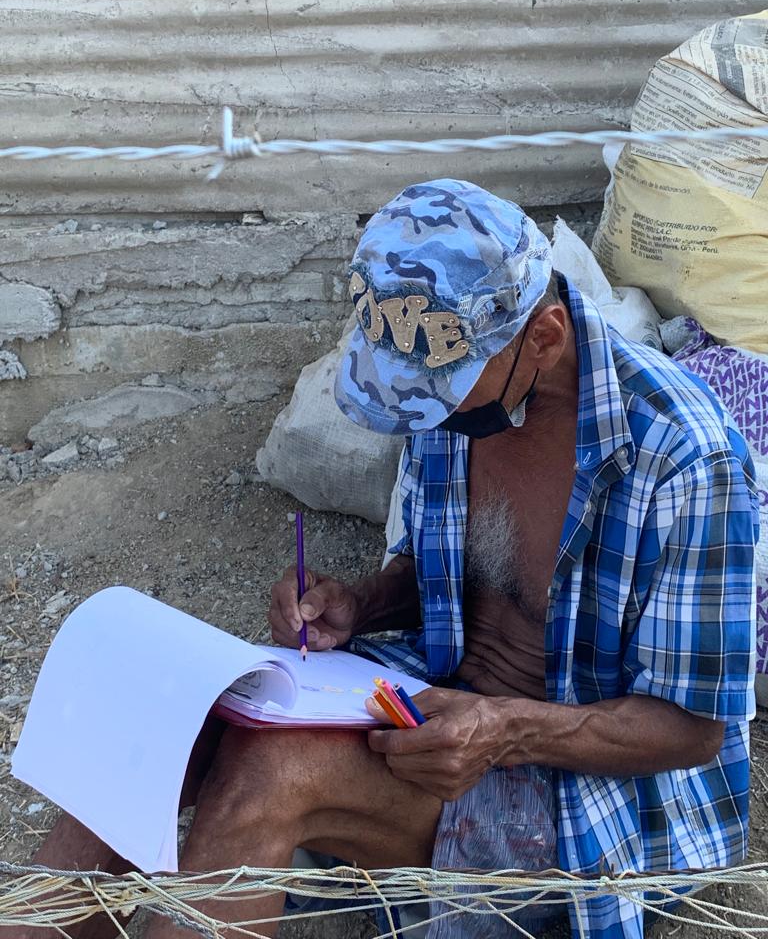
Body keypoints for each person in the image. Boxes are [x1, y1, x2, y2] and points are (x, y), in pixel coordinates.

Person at [10, 180, 758, 939]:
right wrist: (361, 604)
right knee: (171, 721)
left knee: (271, 772)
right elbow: (453, 573)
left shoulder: (685, 458)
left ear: (544, 336)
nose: (429, 413)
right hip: (435, 703)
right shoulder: (460, 394)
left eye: (443, 394)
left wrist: (508, 729)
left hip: (595, 793)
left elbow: (694, 730)